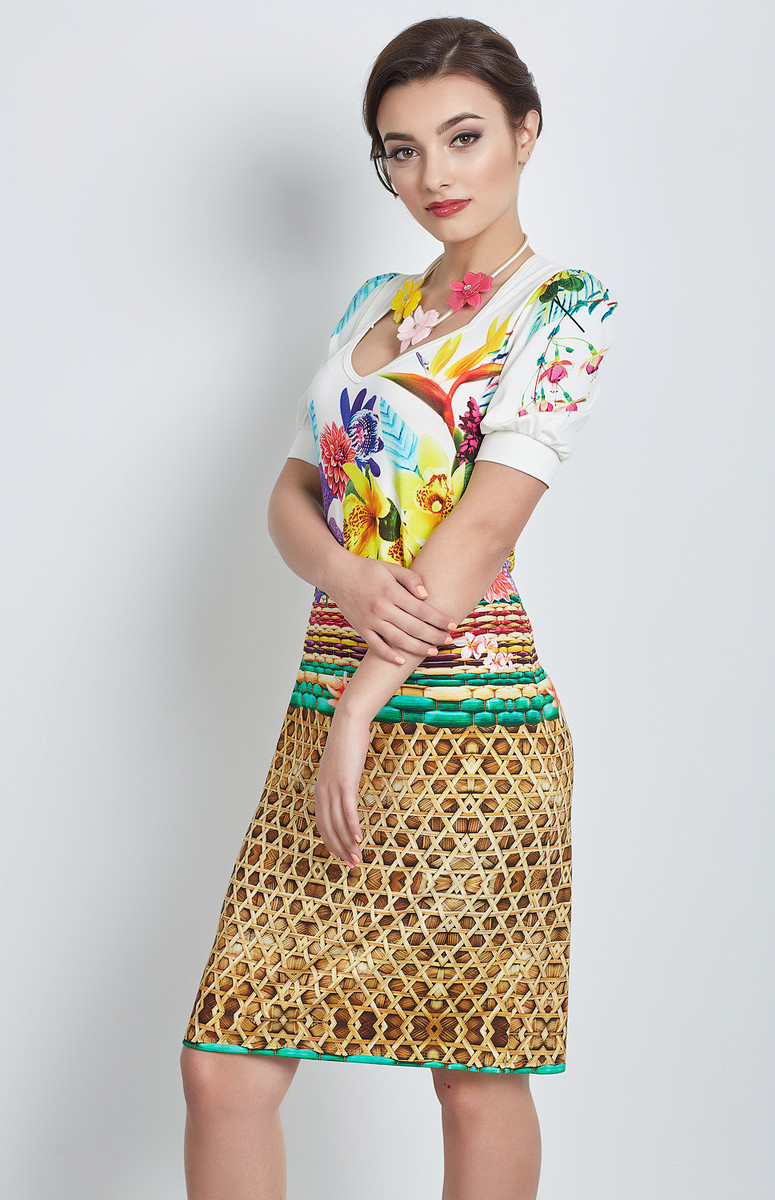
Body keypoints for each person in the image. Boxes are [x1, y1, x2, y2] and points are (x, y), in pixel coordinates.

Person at [180, 15, 619, 1200]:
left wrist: (363, 704)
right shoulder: (371, 299)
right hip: (327, 706)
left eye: (462, 136)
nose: (434, 174)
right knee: (224, 1067)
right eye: (402, 149)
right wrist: (345, 579)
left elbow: (482, 530)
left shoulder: (563, 308)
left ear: (524, 132)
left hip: (474, 727)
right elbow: (289, 494)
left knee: (473, 1074)